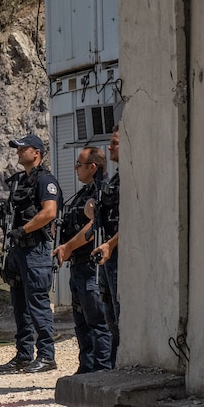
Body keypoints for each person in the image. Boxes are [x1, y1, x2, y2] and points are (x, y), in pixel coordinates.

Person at [0, 134, 62, 374]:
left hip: (35, 249)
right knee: (20, 305)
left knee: (38, 304)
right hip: (18, 250)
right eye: (17, 148)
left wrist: (23, 230)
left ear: (36, 152)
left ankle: (46, 355)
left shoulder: (45, 180)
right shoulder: (19, 181)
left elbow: (49, 212)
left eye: (23, 148)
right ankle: (24, 355)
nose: (18, 152)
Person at [52, 147, 113, 373]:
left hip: (90, 266)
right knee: (81, 321)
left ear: (92, 167)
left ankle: (101, 370)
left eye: (79, 164)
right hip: (77, 266)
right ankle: (86, 368)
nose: (75, 169)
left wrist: (68, 246)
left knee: (98, 322)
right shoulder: (82, 194)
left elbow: (92, 228)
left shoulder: (100, 193)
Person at [92, 126, 121, 366]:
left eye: (115, 143)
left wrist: (110, 245)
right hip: (108, 256)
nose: (109, 147)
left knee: (120, 315)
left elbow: (131, 222)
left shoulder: (130, 180)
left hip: (120, 255)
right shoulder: (114, 180)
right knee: (109, 314)